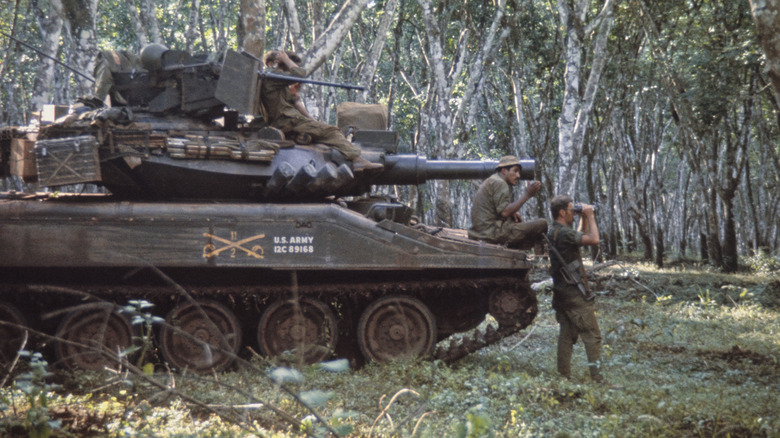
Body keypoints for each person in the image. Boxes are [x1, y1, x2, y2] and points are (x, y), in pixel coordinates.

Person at [259, 50, 382, 171]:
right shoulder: (271, 76)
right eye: (284, 65)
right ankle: (357, 160)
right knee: (332, 131)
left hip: (291, 120)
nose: (287, 70)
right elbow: (300, 74)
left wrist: (313, 122)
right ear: (271, 64)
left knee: (322, 132)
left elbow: (295, 102)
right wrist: (286, 59)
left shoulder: (276, 81)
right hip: (287, 121)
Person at [548, 195, 605, 383]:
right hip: (574, 295)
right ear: (562, 212)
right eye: (571, 210)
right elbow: (594, 240)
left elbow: (579, 238)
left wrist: (581, 218)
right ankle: (597, 378)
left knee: (567, 334)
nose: (574, 212)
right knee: (592, 335)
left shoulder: (554, 231)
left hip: (560, 294)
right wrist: (590, 215)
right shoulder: (565, 233)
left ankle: (562, 375)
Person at [468, 155, 548, 248]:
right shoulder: (500, 183)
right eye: (515, 171)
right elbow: (505, 212)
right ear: (504, 171)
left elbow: (500, 210)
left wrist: (512, 212)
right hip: (490, 234)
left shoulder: (493, 180)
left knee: (517, 222)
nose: (518, 175)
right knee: (542, 224)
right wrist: (527, 194)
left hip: (480, 233)